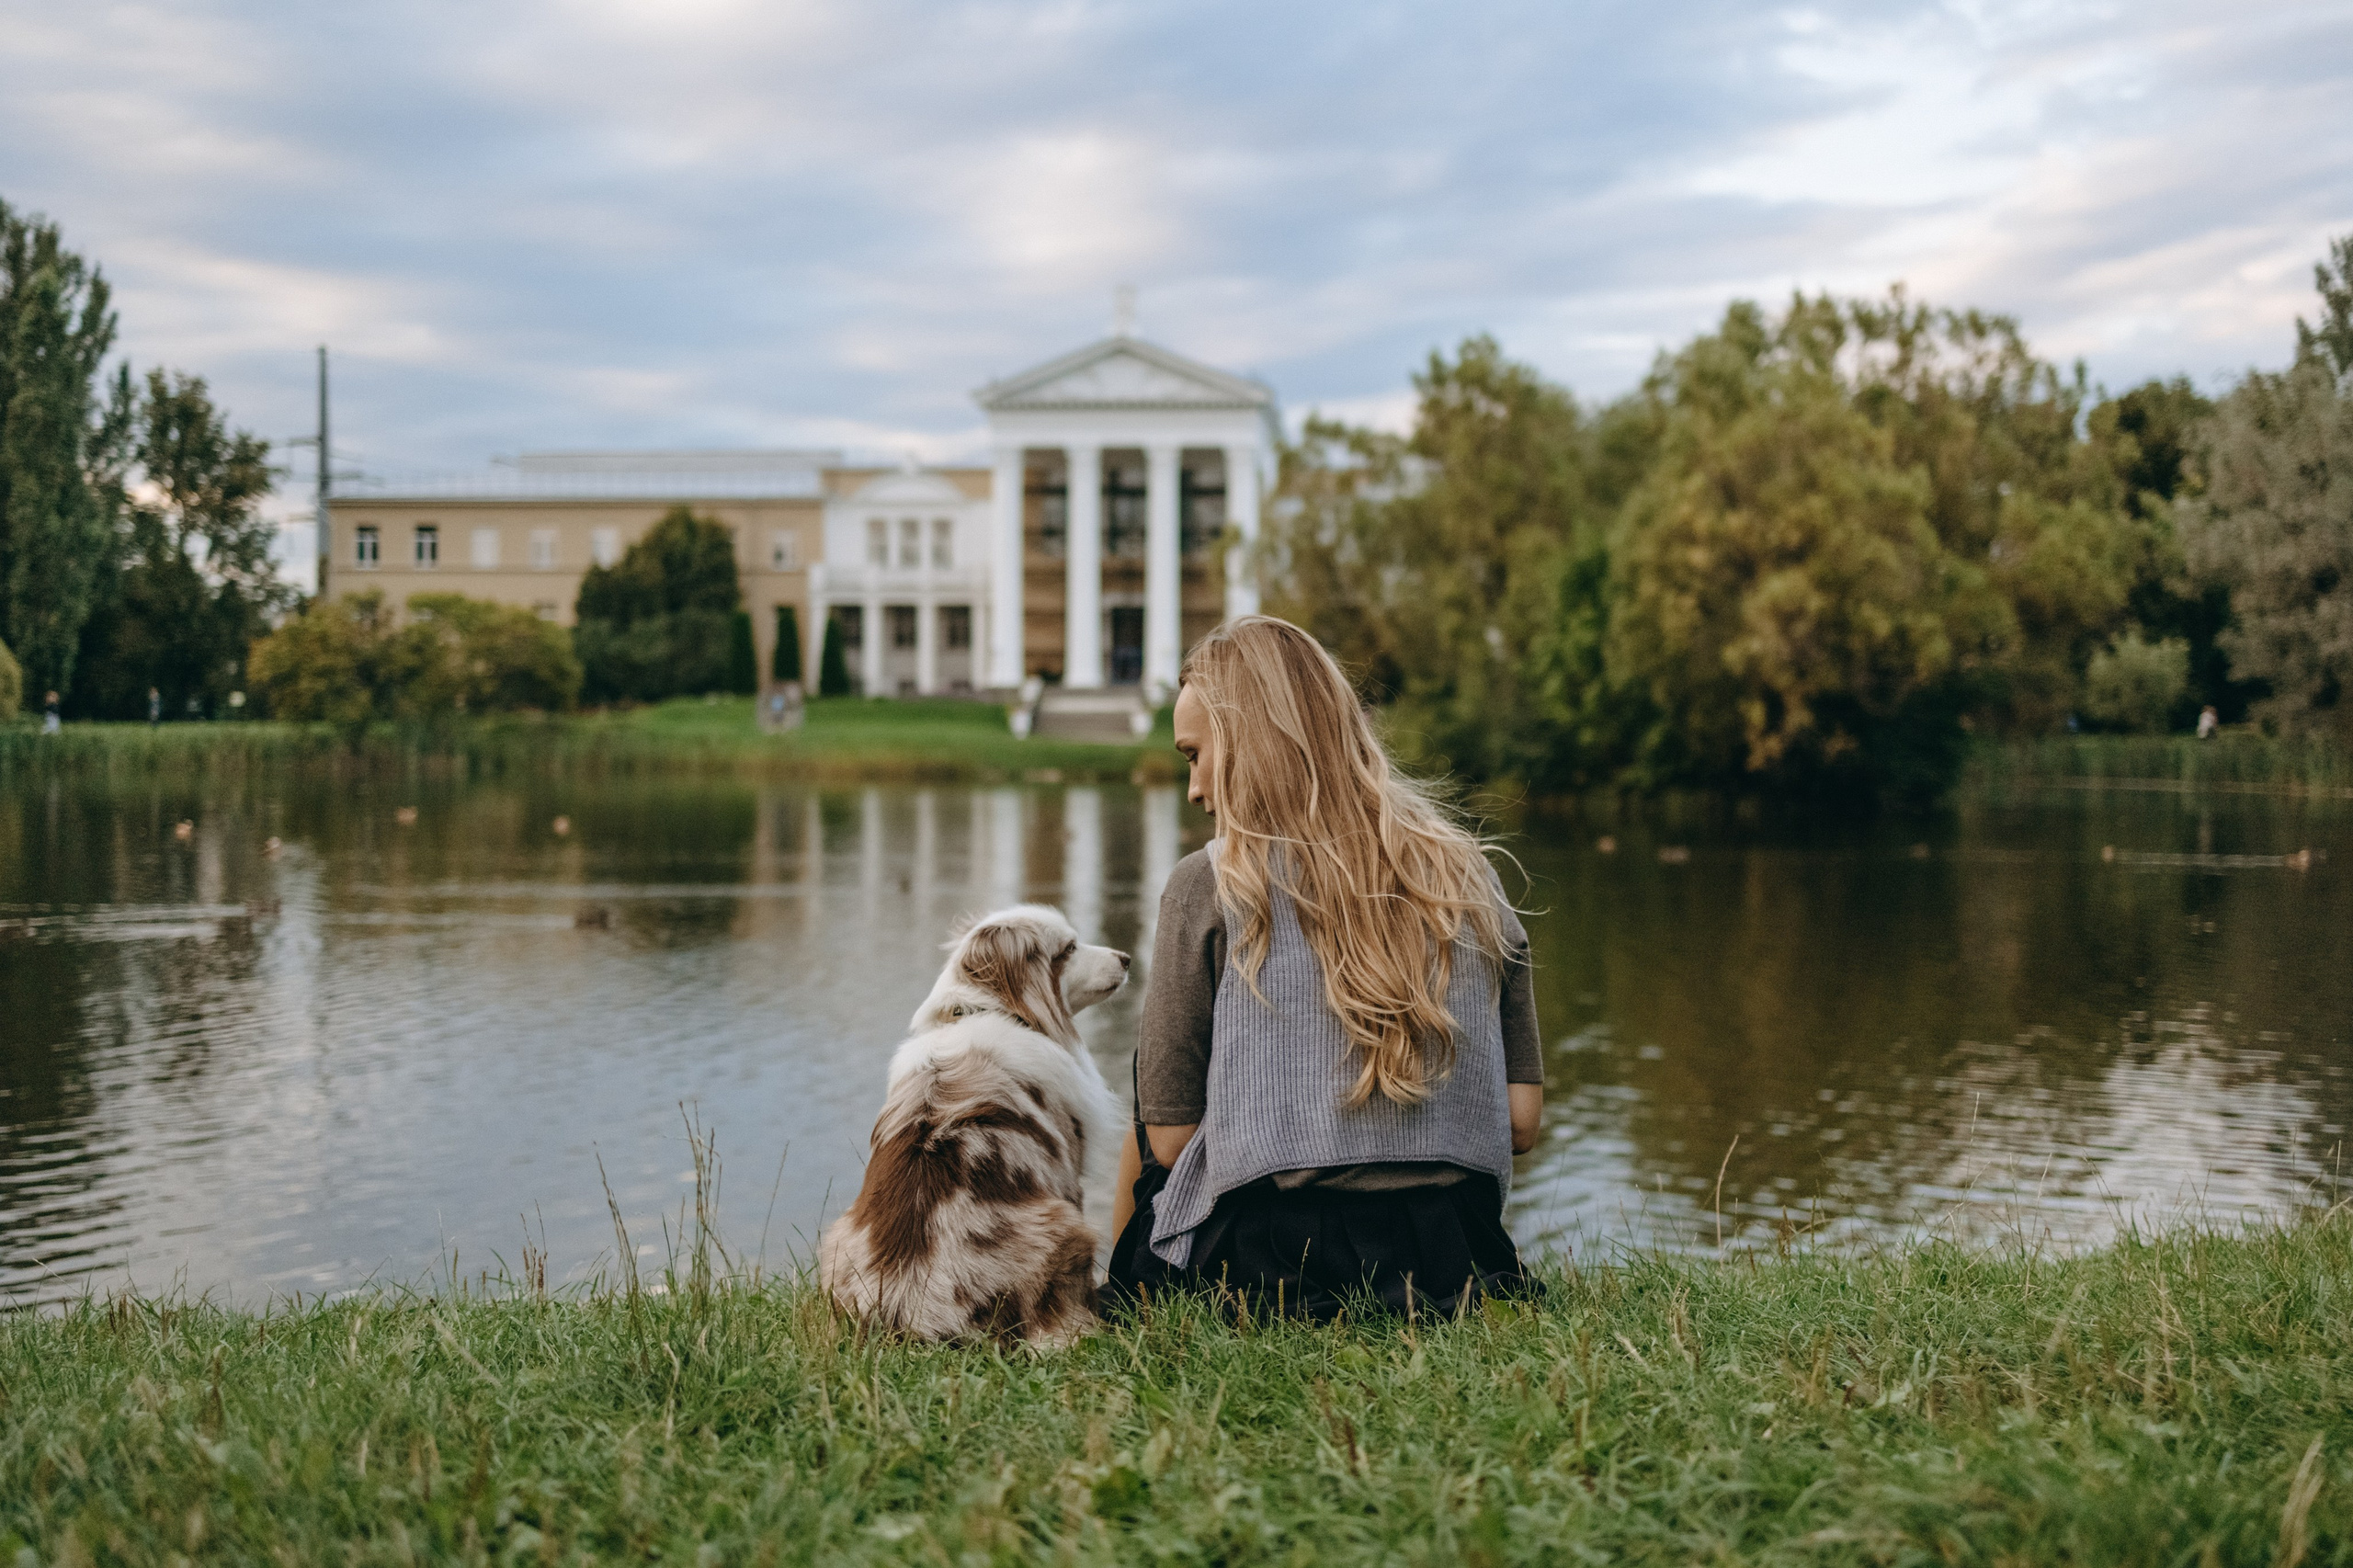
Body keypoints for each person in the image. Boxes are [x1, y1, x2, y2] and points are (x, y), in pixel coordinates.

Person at [1105, 615, 1543, 1319]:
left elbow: (1172, 1140)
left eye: (1194, 756)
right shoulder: (1471, 877)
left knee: (1152, 1075)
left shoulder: (1208, 883)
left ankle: (1124, 1286)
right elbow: (1520, 1123)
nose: (1193, 788)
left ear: (1247, 745)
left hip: (1272, 1264)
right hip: (1457, 1254)